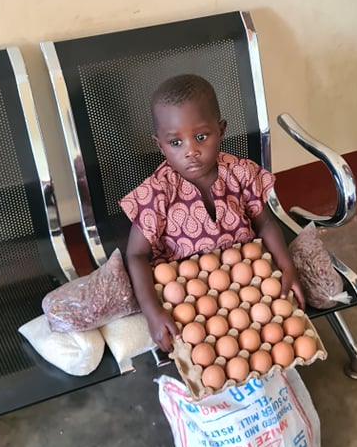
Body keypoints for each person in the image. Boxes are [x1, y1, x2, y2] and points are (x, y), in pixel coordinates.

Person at [120, 74, 305, 352]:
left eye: (201, 137)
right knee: (208, 352)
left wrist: (287, 267)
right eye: (176, 143)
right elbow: (135, 255)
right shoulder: (157, 193)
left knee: (272, 340)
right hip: (188, 297)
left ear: (221, 130)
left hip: (247, 284)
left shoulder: (241, 173)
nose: (191, 151)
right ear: (159, 145)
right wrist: (152, 311)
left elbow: (265, 222)